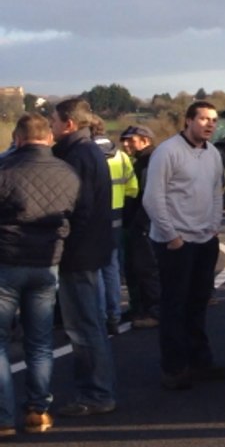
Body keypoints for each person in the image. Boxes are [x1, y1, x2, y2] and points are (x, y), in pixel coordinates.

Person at [143, 100, 225, 390]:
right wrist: (172, 236)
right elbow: (152, 198)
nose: (210, 124)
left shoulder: (214, 155)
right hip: (176, 243)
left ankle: (200, 362)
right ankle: (174, 368)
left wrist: (214, 226)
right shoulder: (167, 152)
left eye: (213, 120)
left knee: (198, 304)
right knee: (174, 306)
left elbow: (216, 192)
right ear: (188, 121)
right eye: (204, 119)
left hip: (205, 240)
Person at [0, 114, 78, 435]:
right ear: (48, 139)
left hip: (6, 262)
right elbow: (76, 215)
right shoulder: (68, 172)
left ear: (17, 139)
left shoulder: (4, 170)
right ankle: (38, 411)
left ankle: (3, 418)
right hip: (47, 264)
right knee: (40, 342)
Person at [49, 98, 118, 415]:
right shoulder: (88, 151)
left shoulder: (76, 156)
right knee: (88, 324)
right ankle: (96, 390)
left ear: (69, 124)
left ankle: (95, 394)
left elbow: (77, 210)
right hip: (91, 248)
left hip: (79, 253)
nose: (51, 127)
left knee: (84, 327)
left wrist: (61, 240)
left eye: (54, 121)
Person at [90, 117, 135, 336]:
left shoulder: (86, 155)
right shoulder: (122, 156)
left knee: (95, 269)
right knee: (112, 267)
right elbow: (132, 188)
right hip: (116, 216)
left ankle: (99, 317)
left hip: (93, 218)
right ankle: (114, 316)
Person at [119, 125, 161, 329]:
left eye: (131, 140)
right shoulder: (141, 161)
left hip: (145, 224)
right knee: (136, 268)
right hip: (138, 223)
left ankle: (154, 311)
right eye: (124, 140)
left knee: (147, 268)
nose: (126, 144)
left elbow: (148, 196)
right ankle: (140, 308)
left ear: (145, 140)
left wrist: (141, 224)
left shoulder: (150, 162)